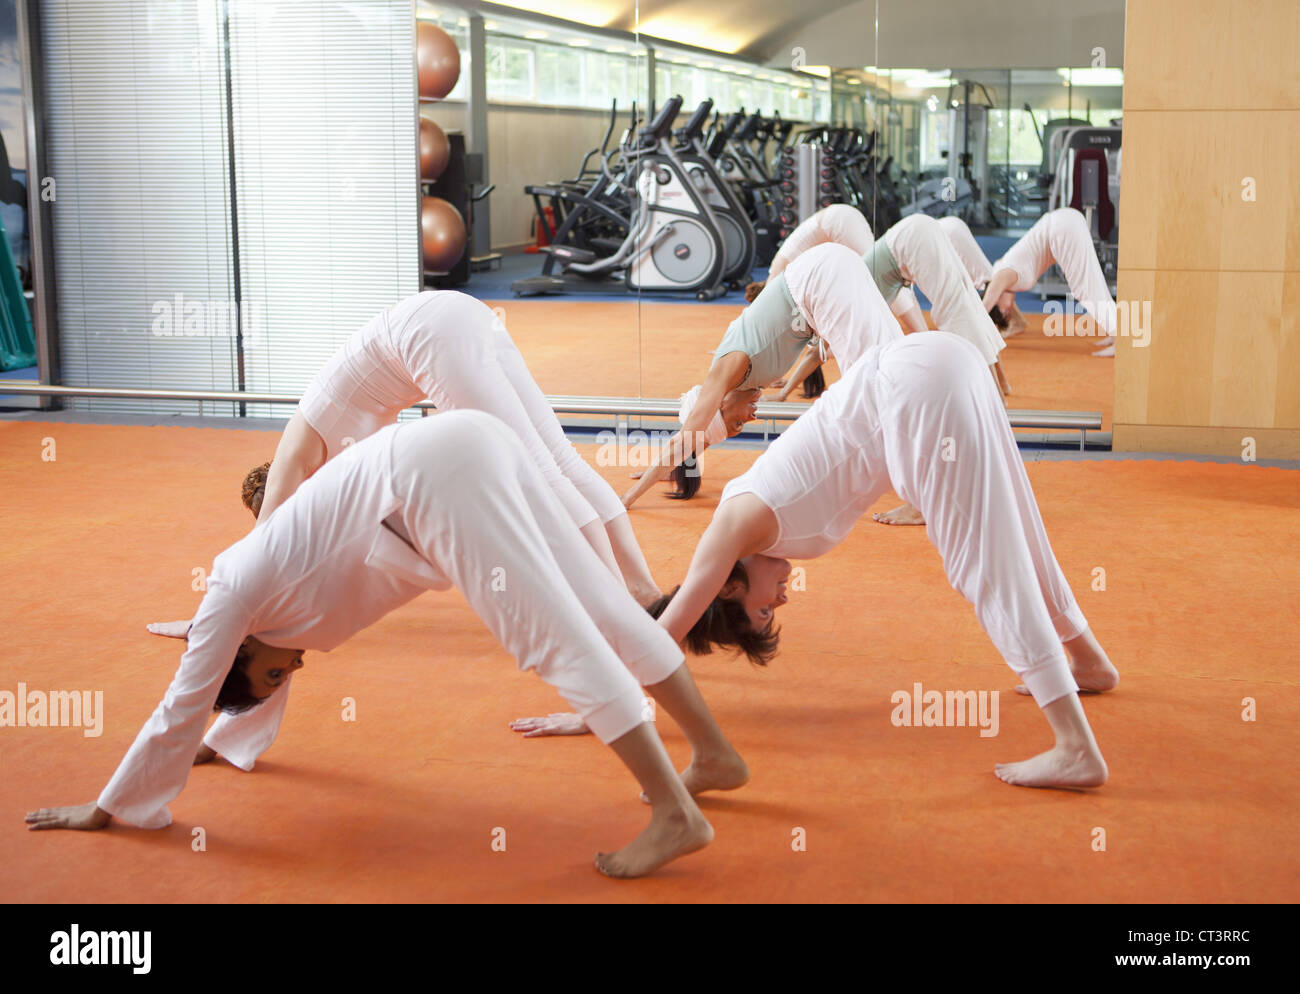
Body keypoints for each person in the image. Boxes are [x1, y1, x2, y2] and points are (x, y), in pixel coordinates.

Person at [25, 411, 753, 878]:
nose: (296, 668)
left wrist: (112, 804)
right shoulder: (273, 620)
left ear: (240, 651)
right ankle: (715, 756)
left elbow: (185, 696)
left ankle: (672, 813)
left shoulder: (232, 593)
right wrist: (224, 737)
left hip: (433, 476)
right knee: (604, 609)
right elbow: (240, 686)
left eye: (276, 673)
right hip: (465, 441)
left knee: (553, 640)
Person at [536, 331, 1119, 789]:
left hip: (916, 386)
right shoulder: (760, 534)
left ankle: (1075, 748)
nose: (781, 601)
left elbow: (664, 635)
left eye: (763, 613)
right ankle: (1087, 662)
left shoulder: (732, 530)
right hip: (938, 364)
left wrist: (605, 709)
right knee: (1015, 526)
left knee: (982, 564)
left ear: (731, 591)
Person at [148, 291, 659, 641]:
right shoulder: (333, 468)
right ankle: (640, 590)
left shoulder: (294, 456)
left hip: (429, 333)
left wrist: (208, 621)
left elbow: (261, 547)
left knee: (538, 472)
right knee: (558, 460)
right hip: (456, 315)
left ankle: (617, 614)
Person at [621, 242, 901, 508]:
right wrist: (658, 470)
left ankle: (917, 499)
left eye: (739, 422)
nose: (752, 417)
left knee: (873, 385)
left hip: (822, 278)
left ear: (720, 406)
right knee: (895, 361)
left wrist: (630, 496)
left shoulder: (729, 367)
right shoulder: (737, 383)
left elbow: (688, 435)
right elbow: (700, 437)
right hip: (833, 268)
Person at [982, 207, 1118, 357]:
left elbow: (985, 305)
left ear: (995, 298)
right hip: (1064, 224)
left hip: (1062, 228)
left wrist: (976, 331)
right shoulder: (1005, 278)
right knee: (1092, 283)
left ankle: (1119, 338)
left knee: (1085, 289)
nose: (1008, 311)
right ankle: (1116, 333)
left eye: (1002, 311)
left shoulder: (1001, 276)